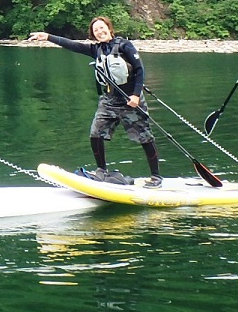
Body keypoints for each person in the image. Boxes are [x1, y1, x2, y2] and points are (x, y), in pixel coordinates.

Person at [28, 17, 161, 187]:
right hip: (109, 101)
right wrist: (48, 37)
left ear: (109, 28)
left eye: (102, 27)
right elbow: (72, 45)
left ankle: (156, 177)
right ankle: (101, 171)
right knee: (96, 134)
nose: (99, 31)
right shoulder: (96, 49)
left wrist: (135, 95)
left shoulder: (124, 45)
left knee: (145, 137)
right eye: (96, 30)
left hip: (130, 100)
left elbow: (140, 70)